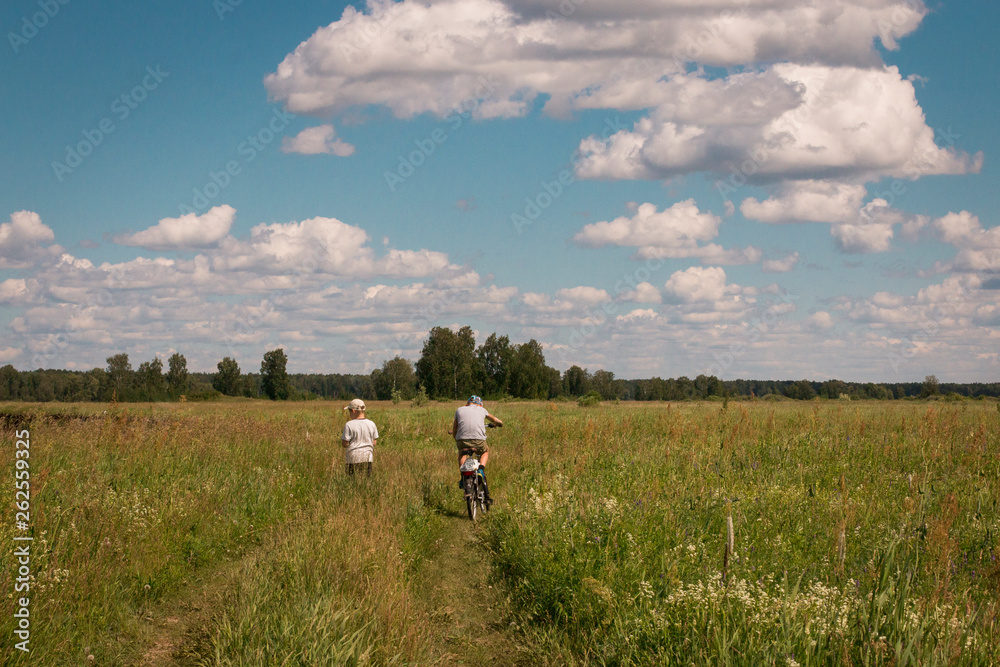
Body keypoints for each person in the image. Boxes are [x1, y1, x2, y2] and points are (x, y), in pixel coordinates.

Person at [448, 395, 502, 503]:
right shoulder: (482, 410)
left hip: (462, 441)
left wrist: (457, 439)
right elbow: (496, 420)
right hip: (479, 441)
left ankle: (463, 477)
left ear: (468, 403)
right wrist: (499, 424)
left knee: (462, 454)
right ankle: (481, 470)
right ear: (480, 404)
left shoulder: (459, 410)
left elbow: (455, 429)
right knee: (485, 451)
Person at [341, 398, 378, 477]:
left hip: (352, 458)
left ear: (353, 411)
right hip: (367, 458)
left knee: (352, 481)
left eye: (349, 411)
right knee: (366, 481)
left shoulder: (349, 425)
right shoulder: (372, 424)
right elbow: (374, 443)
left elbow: (344, 443)